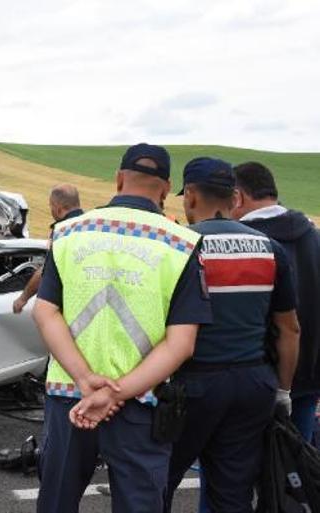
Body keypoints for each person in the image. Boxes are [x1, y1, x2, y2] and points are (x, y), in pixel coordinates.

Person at [32, 143, 212, 513]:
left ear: (118, 180)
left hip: (71, 397)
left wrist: (85, 381)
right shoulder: (181, 243)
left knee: (56, 502)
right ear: (165, 189)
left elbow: (45, 312)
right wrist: (117, 393)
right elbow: (182, 343)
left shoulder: (68, 233)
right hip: (140, 404)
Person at [165, 158, 300, 512]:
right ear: (234, 196)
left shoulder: (179, 244)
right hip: (252, 384)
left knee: (157, 482)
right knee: (232, 494)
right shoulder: (271, 248)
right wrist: (283, 390)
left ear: (191, 195)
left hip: (190, 384)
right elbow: (290, 328)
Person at [232, 162, 320, 442]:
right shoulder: (313, 237)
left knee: (231, 472)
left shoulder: (241, 243)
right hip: (307, 376)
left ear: (238, 197)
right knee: (297, 471)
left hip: (250, 377)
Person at [13, 184, 83, 314]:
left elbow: (46, 271)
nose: (50, 210)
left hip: (69, 306)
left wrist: (23, 299)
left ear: (58, 207)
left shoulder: (62, 231)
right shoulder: (92, 226)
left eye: (51, 206)